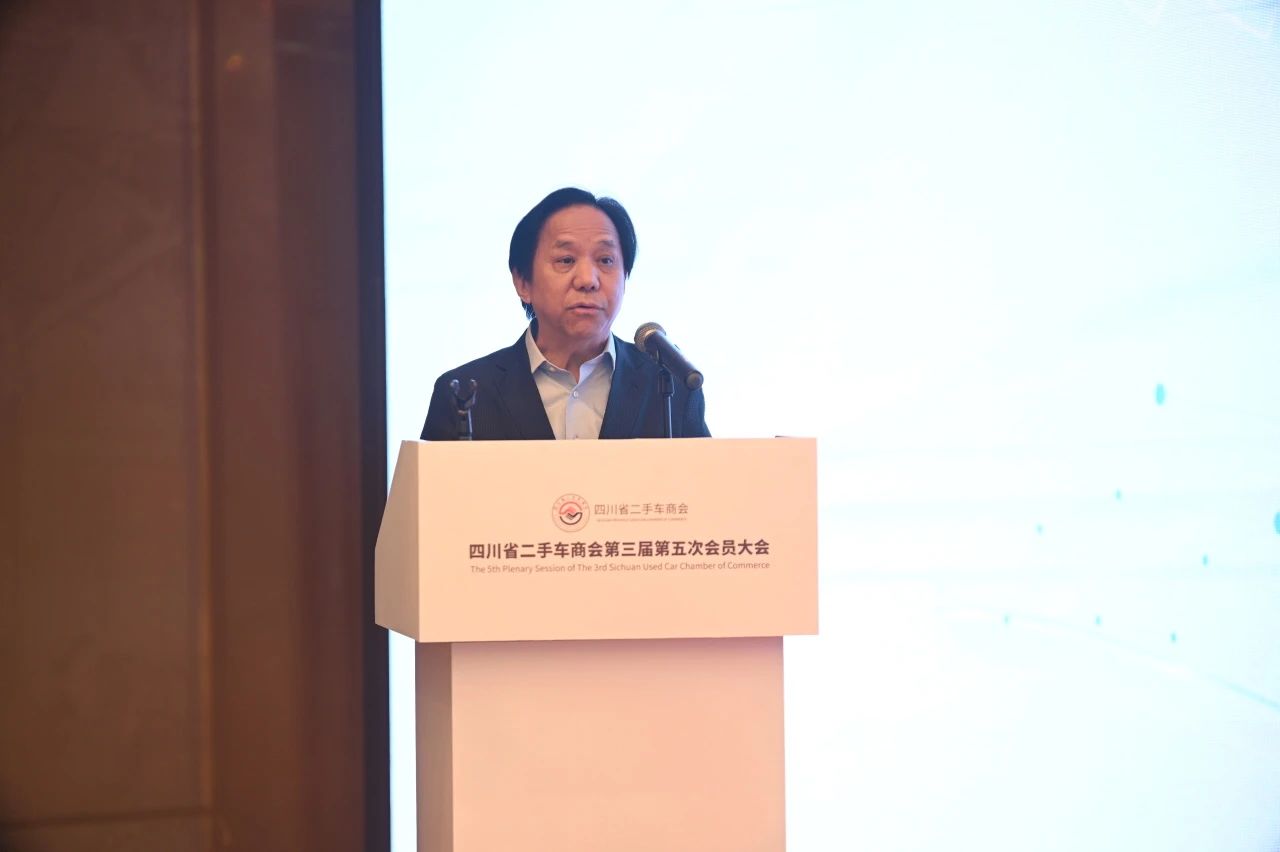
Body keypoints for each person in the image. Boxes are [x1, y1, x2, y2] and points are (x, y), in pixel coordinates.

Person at [421, 187, 710, 441]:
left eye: (605, 260)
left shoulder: (671, 387)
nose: (587, 279)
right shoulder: (464, 393)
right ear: (523, 282)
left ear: (625, 278)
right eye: (566, 260)